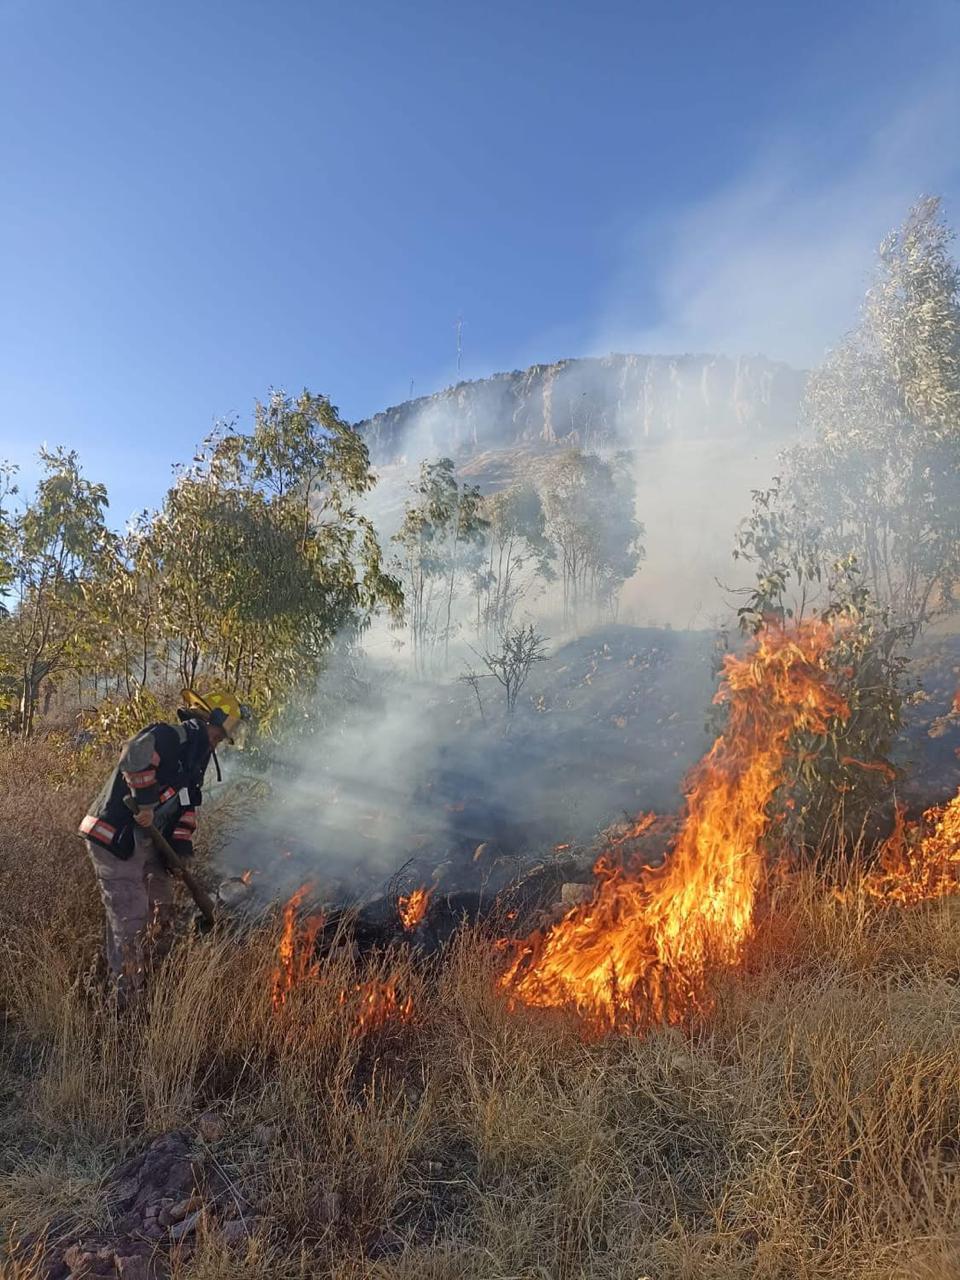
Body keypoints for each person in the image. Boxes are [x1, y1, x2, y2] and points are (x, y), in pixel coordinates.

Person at [79, 688, 246, 999]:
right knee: (132, 917)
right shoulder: (170, 736)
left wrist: (180, 856)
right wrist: (144, 803)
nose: (219, 742)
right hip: (116, 840)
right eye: (219, 735)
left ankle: (152, 979)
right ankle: (126, 1001)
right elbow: (133, 754)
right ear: (207, 720)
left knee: (163, 910)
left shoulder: (194, 763)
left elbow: (185, 810)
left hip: (148, 845)